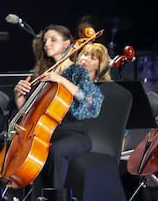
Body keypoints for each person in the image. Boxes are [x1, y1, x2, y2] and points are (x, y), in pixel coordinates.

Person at [8, 24, 103, 195]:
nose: (47, 44)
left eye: (53, 40)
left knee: (55, 150)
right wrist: (18, 96)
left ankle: (54, 197)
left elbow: (92, 102)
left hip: (73, 133)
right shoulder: (43, 73)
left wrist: (61, 80)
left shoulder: (77, 71)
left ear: (67, 44)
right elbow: (29, 114)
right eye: (45, 41)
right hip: (44, 131)